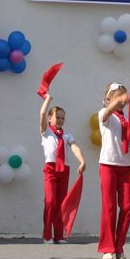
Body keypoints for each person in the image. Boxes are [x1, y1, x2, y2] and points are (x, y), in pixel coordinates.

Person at [39, 94, 86, 244]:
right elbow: (42, 113)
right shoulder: (46, 132)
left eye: (62, 118)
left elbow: (74, 147)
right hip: (51, 169)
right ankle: (47, 235)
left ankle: (59, 235)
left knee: (60, 203)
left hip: (64, 170)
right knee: (50, 201)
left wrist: (82, 160)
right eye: (57, 117)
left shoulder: (67, 136)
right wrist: (47, 99)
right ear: (50, 119)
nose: (60, 120)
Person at [97, 82, 130, 259]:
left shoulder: (129, 119)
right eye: (118, 97)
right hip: (108, 165)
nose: (122, 101)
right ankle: (107, 247)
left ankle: (119, 246)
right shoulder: (105, 114)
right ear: (108, 98)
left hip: (126, 167)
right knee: (109, 207)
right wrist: (117, 100)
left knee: (127, 207)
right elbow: (106, 114)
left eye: (123, 97)